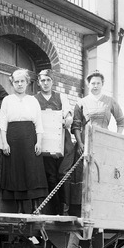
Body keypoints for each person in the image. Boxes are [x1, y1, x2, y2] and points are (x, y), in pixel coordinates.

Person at [0, 69, 48, 213]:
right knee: (16, 170)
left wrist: (38, 142)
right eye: (16, 82)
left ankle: (35, 207)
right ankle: (19, 208)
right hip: (13, 138)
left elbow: (39, 123)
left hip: (30, 137)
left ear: (27, 83)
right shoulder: (7, 100)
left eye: (22, 81)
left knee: (32, 170)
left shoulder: (33, 100)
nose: (19, 84)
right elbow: (2, 124)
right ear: (12, 83)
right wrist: (5, 143)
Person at [33, 69, 74, 215]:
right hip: (45, 141)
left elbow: (68, 113)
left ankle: (65, 208)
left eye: (48, 80)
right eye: (42, 80)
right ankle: (54, 209)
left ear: (52, 81)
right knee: (50, 176)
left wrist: (68, 118)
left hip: (63, 140)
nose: (45, 83)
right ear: (38, 82)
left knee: (63, 174)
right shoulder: (34, 99)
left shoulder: (61, 97)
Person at [71, 70, 124, 154]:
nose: (96, 86)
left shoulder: (110, 101)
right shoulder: (81, 103)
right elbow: (76, 126)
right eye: (93, 83)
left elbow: (121, 122)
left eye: (98, 83)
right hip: (86, 142)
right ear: (88, 84)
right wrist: (80, 143)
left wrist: (116, 138)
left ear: (102, 84)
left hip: (104, 141)